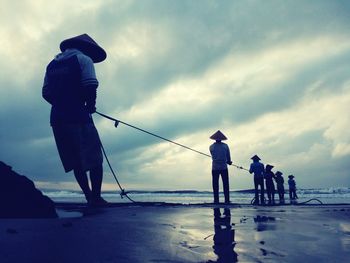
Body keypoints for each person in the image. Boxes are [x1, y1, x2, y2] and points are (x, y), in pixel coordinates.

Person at [42, 34, 107, 206]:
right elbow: (90, 84)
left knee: (75, 161)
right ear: (86, 48)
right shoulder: (83, 60)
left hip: (57, 118)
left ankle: (88, 197)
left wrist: (62, 103)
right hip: (79, 117)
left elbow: (46, 93)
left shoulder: (51, 65)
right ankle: (96, 198)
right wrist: (89, 106)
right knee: (95, 160)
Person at [209, 130, 232, 204]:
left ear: (215, 139)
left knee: (215, 185)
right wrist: (229, 161)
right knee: (226, 184)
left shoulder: (211, 147)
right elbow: (228, 157)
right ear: (221, 139)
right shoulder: (225, 146)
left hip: (215, 167)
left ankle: (216, 200)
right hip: (224, 167)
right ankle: (227, 200)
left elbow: (212, 154)